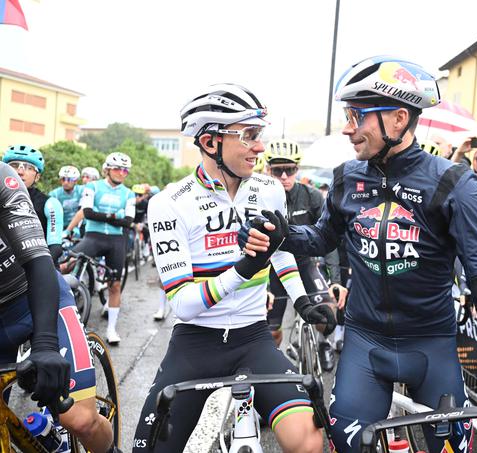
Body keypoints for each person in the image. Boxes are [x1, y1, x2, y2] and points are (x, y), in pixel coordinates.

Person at [242, 56, 477, 453]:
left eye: (357, 115)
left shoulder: (453, 183)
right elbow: (321, 238)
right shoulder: (346, 177)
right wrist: (284, 235)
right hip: (365, 344)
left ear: (399, 119)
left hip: (432, 345)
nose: (348, 128)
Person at [131, 83, 332, 453]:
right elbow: (183, 304)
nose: (260, 146)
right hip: (195, 344)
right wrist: (243, 269)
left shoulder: (270, 189)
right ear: (210, 142)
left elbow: (281, 250)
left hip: (253, 337)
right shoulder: (169, 203)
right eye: (249, 136)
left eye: (260, 135)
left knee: (309, 441)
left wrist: (302, 301)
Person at [0, 162, 117, 453]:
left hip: (34, 298)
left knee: (80, 419)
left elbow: (39, 262)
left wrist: (45, 344)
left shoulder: (4, 178)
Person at [263, 138, 347, 371]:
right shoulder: (259, 197)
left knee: (327, 313)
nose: (283, 176)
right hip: (271, 269)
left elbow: (328, 242)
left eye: (289, 170)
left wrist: (335, 281)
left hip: (304, 263)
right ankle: (274, 364)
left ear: (297, 170)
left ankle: (323, 344)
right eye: (277, 170)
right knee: (272, 332)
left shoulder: (312, 197)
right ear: (268, 169)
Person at [69, 152, 135, 344]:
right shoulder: (92, 186)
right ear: (107, 169)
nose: (121, 173)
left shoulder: (128, 193)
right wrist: (115, 217)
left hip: (116, 241)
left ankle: (111, 329)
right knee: (68, 264)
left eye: (125, 170)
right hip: (93, 237)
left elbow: (129, 222)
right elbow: (88, 213)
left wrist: (105, 215)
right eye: (117, 169)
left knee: (115, 285)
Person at [2, 145, 64, 264]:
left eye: (28, 167)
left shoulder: (50, 203)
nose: (20, 171)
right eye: (14, 165)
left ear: (37, 177)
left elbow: (55, 248)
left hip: (41, 266)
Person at [49, 165, 84, 239]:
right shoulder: (54, 194)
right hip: (62, 227)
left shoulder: (82, 191)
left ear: (76, 181)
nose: (65, 182)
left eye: (69, 179)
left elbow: (84, 211)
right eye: (63, 179)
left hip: (81, 227)